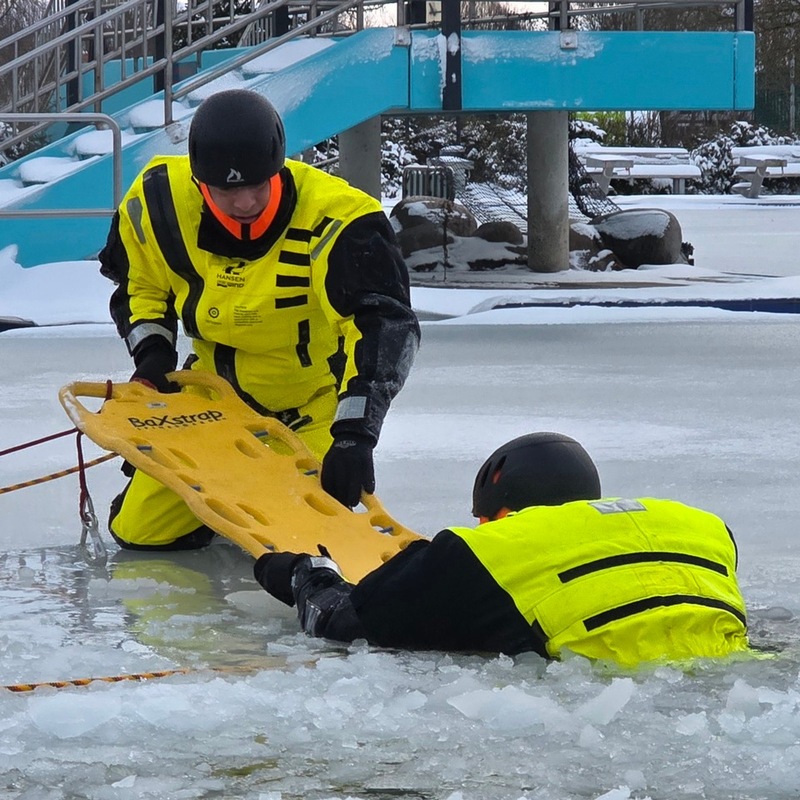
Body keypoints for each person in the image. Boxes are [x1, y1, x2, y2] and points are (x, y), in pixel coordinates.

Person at [99, 88, 420, 551]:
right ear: (198, 177)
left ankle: (251, 489)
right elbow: (140, 285)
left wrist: (355, 435)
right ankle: (215, 494)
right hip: (211, 404)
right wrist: (152, 357)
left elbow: (381, 330)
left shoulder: (340, 220)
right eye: (226, 189)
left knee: (306, 543)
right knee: (139, 532)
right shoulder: (158, 203)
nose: (244, 201)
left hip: (310, 408)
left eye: (257, 185)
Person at [253, 432, 750, 667]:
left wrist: (304, 574)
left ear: (502, 510)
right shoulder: (703, 525)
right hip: (737, 676)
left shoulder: (487, 548)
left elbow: (348, 626)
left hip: (607, 689)